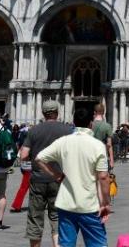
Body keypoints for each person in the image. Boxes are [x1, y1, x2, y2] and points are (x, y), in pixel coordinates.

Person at [35, 106, 111, 247]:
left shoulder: (63, 141)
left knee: (66, 244)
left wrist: (56, 175)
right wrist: (105, 203)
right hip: (90, 206)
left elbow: (39, 158)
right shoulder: (97, 145)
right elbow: (103, 177)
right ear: (91, 123)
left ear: (74, 123)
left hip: (66, 204)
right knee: (97, 244)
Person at [22, 100, 75, 247]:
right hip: (59, 179)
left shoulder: (34, 130)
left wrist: (34, 156)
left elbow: (23, 155)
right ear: (57, 112)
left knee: (35, 217)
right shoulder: (67, 130)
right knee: (57, 217)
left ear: (43, 113)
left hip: (38, 179)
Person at [91, 103, 114, 170]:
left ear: (94, 112)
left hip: (91, 154)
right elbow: (109, 144)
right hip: (102, 154)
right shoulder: (107, 126)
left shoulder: (90, 125)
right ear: (103, 112)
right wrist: (111, 160)